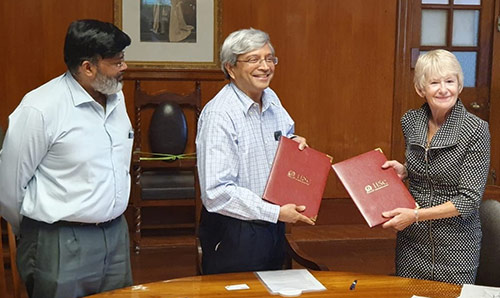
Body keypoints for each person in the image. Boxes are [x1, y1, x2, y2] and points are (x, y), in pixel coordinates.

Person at [0, 19, 133, 297]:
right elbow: (8, 187)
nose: (124, 67)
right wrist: (37, 233)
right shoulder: (40, 109)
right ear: (88, 68)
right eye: (116, 61)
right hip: (59, 241)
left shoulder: (115, 98)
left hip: (116, 236)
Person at [196, 28, 315, 274]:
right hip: (235, 229)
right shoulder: (220, 114)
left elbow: (283, 135)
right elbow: (217, 193)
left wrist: (294, 143)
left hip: (272, 224)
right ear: (230, 68)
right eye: (253, 59)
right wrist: (275, 212)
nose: (265, 66)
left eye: (269, 58)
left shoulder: (270, 98)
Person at [381, 49, 490, 284]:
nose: (443, 89)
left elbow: (468, 200)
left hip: (456, 244)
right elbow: (427, 164)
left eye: (450, 81)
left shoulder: (475, 129)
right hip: (413, 242)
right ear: (421, 89)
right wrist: (406, 169)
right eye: (434, 82)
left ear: (459, 85)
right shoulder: (410, 121)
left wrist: (416, 215)